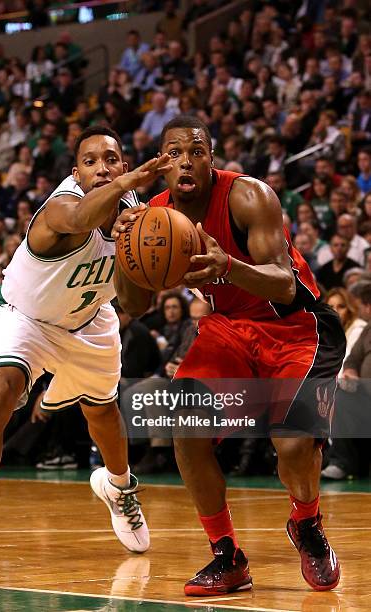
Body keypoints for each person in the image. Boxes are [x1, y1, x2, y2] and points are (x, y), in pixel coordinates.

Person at [112, 116, 346, 596]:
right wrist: (123, 251)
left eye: (195, 150)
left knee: (294, 445)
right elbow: (133, 307)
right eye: (173, 153)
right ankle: (227, 556)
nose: (185, 161)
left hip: (297, 326)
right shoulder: (153, 215)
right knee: (186, 428)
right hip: (229, 330)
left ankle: (306, 524)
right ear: (161, 164)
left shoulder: (248, 196)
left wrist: (229, 266)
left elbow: (284, 283)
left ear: (211, 157)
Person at [0, 125, 173, 589]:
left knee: (104, 415)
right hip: (23, 316)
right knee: (1, 391)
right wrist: (128, 185)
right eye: (90, 161)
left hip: (89, 320)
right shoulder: (60, 208)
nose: (101, 168)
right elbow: (83, 216)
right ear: (76, 171)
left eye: (111, 159)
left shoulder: (136, 218)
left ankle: (120, 487)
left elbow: (137, 304)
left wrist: (133, 250)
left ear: (123, 164)